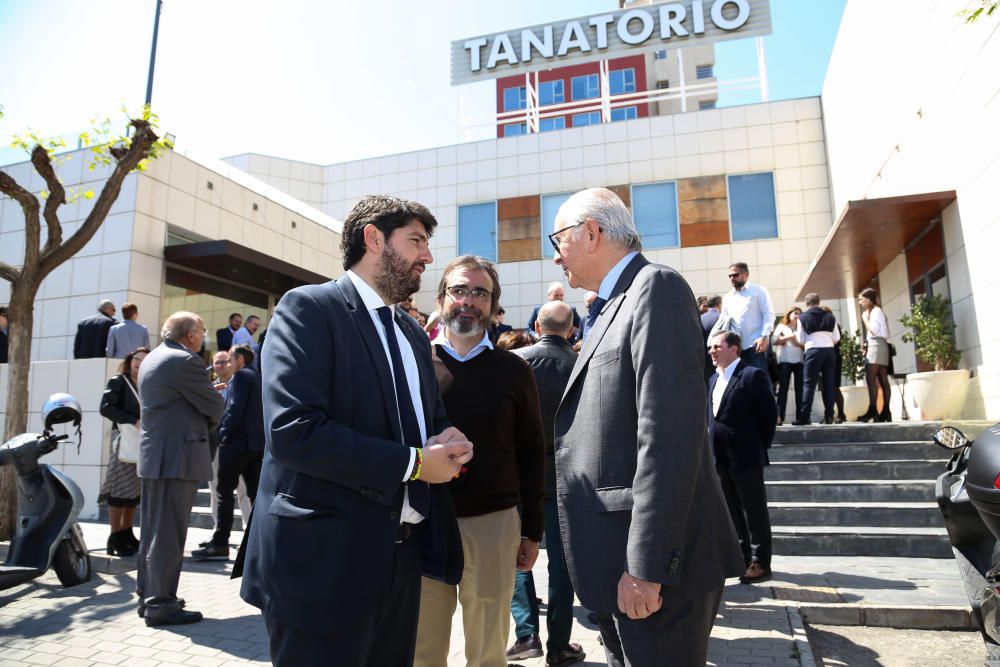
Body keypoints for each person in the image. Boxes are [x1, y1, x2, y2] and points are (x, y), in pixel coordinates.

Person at [238, 195, 473, 667]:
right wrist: (414, 465)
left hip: (401, 562)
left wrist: (449, 439)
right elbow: (293, 431)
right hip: (323, 565)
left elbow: (428, 418)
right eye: (416, 241)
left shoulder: (410, 331)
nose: (428, 256)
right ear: (373, 238)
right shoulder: (308, 308)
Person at [550, 188, 743, 667]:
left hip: (654, 571)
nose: (556, 257)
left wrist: (646, 567)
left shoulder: (655, 288)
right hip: (617, 561)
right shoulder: (614, 302)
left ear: (591, 233)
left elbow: (668, 437)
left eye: (559, 241)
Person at [415, 255, 545, 667]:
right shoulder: (415, 365)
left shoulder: (514, 370)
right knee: (422, 647)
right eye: (458, 290)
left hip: (493, 523)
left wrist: (532, 530)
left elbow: (531, 450)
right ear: (441, 300)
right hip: (424, 520)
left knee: (488, 650)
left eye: (479, 293)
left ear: (492, 305)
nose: (468, 301)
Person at [508, 300, 587, 667]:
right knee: (562, 564)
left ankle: (526, 634)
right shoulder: (581, 364)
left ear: (537, 325)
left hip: (519, 475)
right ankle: (559, 644)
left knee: (516, 556)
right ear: (571, 330)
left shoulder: (516, 361)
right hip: (567, 474)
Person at [136, 312, 225, 626]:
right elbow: (215, 408)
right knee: (169, 535)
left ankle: (149, 596)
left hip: (157, 455)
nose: (203, 337)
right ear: (190, 335)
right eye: (202, 331)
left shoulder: (153, 358)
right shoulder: (186, 361)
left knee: (153, 532)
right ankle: (161, 604)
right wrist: (213, 400)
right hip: (176, 456)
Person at [708, 330, 777, 584]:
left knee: (754, 511)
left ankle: (761, 562)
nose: (712, 351)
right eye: (710, 348)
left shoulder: (751, 375)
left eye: (717, 346)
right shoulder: (713, 379)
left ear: (734, 349)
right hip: (720, 458)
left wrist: (758, 446)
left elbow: (768, 415)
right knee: (732, 512)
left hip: (746, 456)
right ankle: (741, 559)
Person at [194, 345, 264, 561]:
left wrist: (223, 434)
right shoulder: (258, 377)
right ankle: (257, 541)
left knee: (224, 493)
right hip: (255, 447)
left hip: (236, 446)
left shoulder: (242, 376)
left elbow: (235, 408)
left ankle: (220, 543)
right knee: (255, 495)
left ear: (240, 360)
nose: (228, 364)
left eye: (231, 359)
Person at [99, 346, 150, 557]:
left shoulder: (148, 384)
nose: (139, 363)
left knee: (133, 492)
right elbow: (106, 408)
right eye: (136, 358)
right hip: (123, 441)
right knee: (119, 490)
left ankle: (127, 533)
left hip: (140, 442)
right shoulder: (118, 381)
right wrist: (133, 420)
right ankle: (115, 535)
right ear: (130, 360)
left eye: (144, 360)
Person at [711, 263, 775, 376]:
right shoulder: (728, 298)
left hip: (755, 345)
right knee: (739, 381)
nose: (732, 278)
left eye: (735, 275)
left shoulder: (758, 291)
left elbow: (768, 314)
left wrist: (764, 336)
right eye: (729, 276)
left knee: (758, 380)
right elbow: (723, 322)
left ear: (746, 275)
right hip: (734, 348)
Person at [795, 293, 840, 425]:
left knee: (809, 384)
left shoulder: (802, 317)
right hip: (829, 352)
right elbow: (837, 338)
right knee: (829, 384)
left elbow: (800, 339)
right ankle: (829, 416)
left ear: (806, 303)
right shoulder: (830, 316)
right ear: (819, 302)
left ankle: (804, 417)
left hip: (813, 351)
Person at [858, 287, 892, 422]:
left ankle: (873, 410)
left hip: (877, 345)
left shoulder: (875, 312)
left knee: (871, 378)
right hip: (879, 345)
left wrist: (864, 319)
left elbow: (873, 330)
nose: (860, 302)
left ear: (869, 299)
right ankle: (884, 412)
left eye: (862, 299)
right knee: (882, 378)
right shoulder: (876, 311)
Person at [772, 306, 804, 425]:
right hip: (784, 361)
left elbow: (806, 344)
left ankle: (800, 417)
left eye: (800, 314)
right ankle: (780, 418)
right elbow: (773, 341)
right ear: (789, 314)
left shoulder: (802, 328)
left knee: (800, 390)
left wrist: (797, 342)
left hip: (799, 361)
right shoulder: (781, 327)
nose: (797, 316)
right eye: (795, 313)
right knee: (783, 390)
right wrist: (788, 337)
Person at [701, 295, 722, 383]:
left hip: (703, 359)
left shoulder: (700, 318)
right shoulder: (721, 317)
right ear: (719, 304)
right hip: (719, 358)